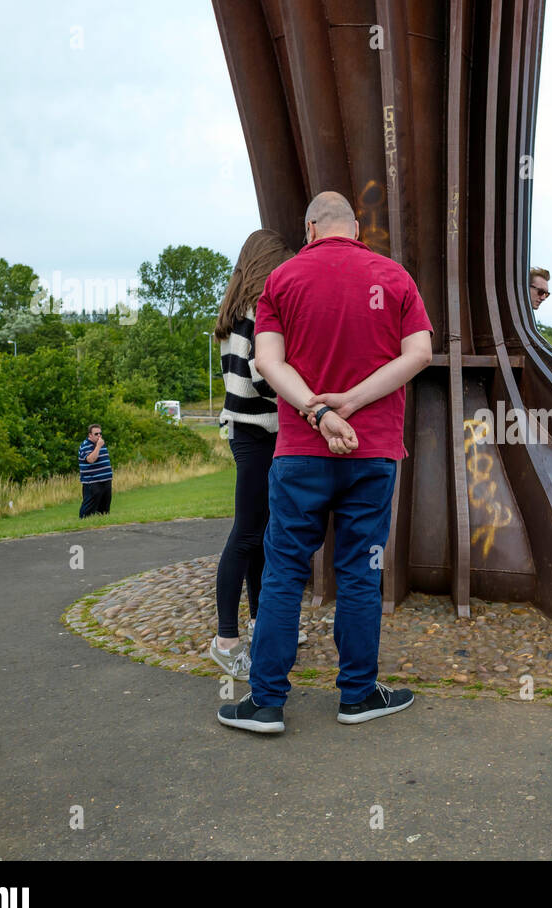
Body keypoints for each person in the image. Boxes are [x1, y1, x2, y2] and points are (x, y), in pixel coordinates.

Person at [217, 190, 434, 734]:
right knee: (361, 572)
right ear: (355, 229)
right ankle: (357, 696)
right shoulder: (395, 278)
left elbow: (267, 361)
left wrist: (317, 411)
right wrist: (353, 403)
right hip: (374, 449)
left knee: (285, 572)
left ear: (309, 228)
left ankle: (266, 703)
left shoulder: (281, 281)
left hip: (300, 453)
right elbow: (420, 354)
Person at [208, 229, 296, 681]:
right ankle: (226, 642)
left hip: (244, 432)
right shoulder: (260, 312)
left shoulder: (232, 312)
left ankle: (262, 624)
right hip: (260, 432)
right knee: (246, 535)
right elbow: (264, 377)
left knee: (257, 533)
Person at [78, 424, 112, 517]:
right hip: (92, 482)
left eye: (100, 434)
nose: (99, 436)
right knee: (89, 507)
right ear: (90, 435)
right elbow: (90, 459)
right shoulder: (85, 445)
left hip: (106, 480)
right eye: (96, 434)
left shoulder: (101, 444)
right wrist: (98, 447)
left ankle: (102, 524)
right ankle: (84, 524)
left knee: (104, 509)